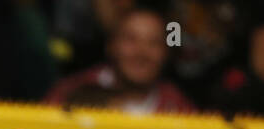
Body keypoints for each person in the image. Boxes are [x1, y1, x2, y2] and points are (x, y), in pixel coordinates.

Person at [45, 7, 195, 114]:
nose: (141, 52)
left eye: (154, 42)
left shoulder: (178, 108)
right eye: (130, 40)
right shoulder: (68, 94)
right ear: (111, 45)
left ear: (166, 53)